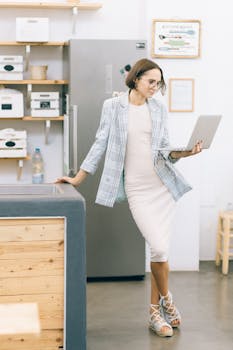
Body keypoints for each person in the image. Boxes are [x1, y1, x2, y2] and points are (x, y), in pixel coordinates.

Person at [56, 58, 202, 337]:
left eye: (159, 84)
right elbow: (100, 143)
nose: (155, 88)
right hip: (137, 188)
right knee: (158, 245)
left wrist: (184, 153)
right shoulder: (113, 107)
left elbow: (164, 150)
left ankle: (154, 314)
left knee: (160, 251)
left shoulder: (158, 108)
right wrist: (77, 177)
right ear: (136, 79)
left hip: (161, 185)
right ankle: (168, 301)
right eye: (151, 82)